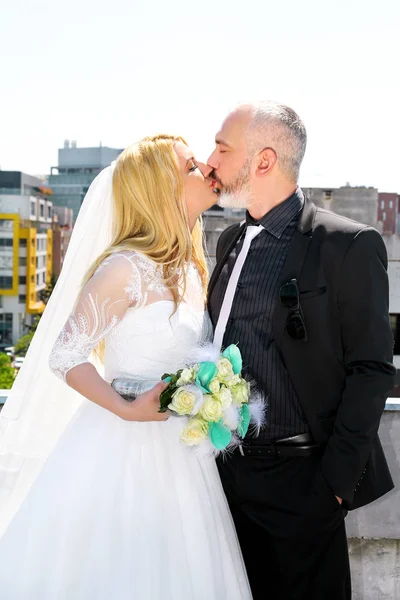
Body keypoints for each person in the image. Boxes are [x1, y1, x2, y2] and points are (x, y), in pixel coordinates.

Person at [0, 134, 252, 599]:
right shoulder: (125, 267)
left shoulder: (192, 266)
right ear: (160, 188)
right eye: (191, 166)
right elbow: (66, 355)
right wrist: (124, 407)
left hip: (183, 455)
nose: (206, 169)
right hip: (121, 447)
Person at [207, 101, 396, 600]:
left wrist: (332, 486)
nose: (211, 161)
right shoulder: (227, 241)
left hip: (302, 486)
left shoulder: (348, 245)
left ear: (263, 161)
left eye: (223, 149)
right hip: (221, 482)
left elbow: (372, 369)